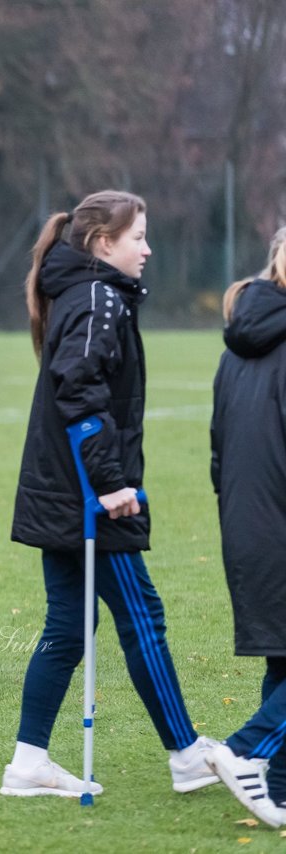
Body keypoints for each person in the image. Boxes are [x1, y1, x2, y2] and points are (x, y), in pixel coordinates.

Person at [3, 190, 216, 798]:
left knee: (68, 628)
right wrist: (112, 482)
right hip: (87, 497)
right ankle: (185, 753)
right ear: (104, 244)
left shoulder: (86, 294)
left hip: (62, 493)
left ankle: (27, 764)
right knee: (141, 615)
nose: (147, 249)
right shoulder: (97, 297)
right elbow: (79, 388)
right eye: (138, 237)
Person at [207, 227, 286, 827]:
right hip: (277, 518)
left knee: (283, 658)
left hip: (246, 521)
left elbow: (218, 446)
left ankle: (276, 787)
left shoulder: (237, 343)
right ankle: (243, 752)